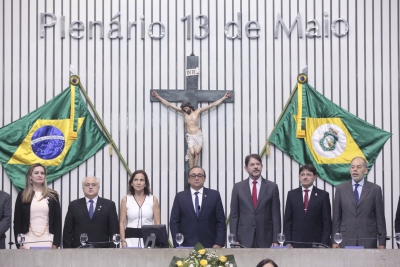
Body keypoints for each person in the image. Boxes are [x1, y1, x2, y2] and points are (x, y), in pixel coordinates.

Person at [152, 91, 230, 168]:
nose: (185, 110)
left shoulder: (197, 111)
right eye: (184, 109)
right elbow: (170, 105)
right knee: (192, 153)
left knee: (197, 152)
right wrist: (158, 97)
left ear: (189, 106)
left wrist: (224, 98)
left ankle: (194, 169)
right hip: (190, 136)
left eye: (186, 108)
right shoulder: (184, 113)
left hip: (198, 134)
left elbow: (212, 105)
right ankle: (191, 170)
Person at [332, 156, 386, 249]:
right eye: (352, 167)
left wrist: (382, 242)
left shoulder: (375, 189)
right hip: (346, 238)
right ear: (350, 170)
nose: (355, 170)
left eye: (358, 167)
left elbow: (380, 218)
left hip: (368, 238)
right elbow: (337, 217)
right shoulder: (340, 189)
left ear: (365, 170)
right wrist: (334, 240)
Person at [230, 154, 281, 248]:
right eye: (252, 164)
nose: (255, 167)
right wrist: (234, 240)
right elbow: (234, 216)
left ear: (262, 166)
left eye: (258, 164)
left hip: (266, 238)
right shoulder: (238, 187)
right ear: (246, 168)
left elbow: (276, 215)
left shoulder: (272, 187)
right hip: (243, 239)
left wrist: (276, 240)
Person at [170, 166, 226, 248]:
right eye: (193, 176)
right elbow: (174, 222)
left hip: (210, 245)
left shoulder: (214, 195)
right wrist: (178, 244)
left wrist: (218, 243)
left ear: (204, 178)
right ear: (188, 179)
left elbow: (220, 221)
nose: (196, 178)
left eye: (200, 176)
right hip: (186, 245)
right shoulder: (180, 197)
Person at [13, 163, 62, 249]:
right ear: (30, 176)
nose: (40, 175)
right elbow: (17, 221)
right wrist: (19, 243)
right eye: (36, 173)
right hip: (27, 238)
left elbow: (57, 221)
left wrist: (56, 243)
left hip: (48, 238)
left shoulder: (53, 195)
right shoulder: (22, 195)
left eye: (42, 173)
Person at [63, 176, 119, 248]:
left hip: (102, 250)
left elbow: (114, 231)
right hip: (78, 249)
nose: (90, 187)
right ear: (83, 188)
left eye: (93, 185)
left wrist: (113, 250)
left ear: (98, 187)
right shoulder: (74, 205)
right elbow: (67, 232)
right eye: (87, 185)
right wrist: (67, 251)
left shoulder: (109, 205)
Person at [283, 164, 331, 248]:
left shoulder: (323, 195)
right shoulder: (291, 194)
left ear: (315, 177)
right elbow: (287, 221)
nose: (305, 177)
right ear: (299, 177)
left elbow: (326, 222)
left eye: (308, 174)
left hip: (316, 242)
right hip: (295, 242)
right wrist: (287, 242)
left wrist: (324, 243)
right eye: (302, 174)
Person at [119, 170, 161, 248]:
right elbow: (122, 223)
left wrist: (156, 242)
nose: (138, 183)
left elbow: (157, 224)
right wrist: (123, 241)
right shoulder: (125, 199)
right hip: (130, 240)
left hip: (148, 240)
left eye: (141, 180)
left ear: (145, 184)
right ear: (131, 183)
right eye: (135, 180)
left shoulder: (153, 199)